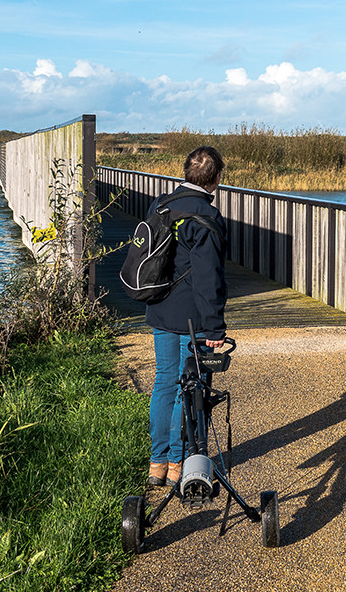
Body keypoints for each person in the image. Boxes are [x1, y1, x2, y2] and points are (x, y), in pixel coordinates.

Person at [145, 146, 228, 487]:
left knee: (165, 382)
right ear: (216, 179)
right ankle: (181, 461)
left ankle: (157, 462)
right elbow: (208, 279)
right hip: (192, 318)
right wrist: (215, 326)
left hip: (160, 306)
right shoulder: (206, 218)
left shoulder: (161, 205)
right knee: (188, 385)